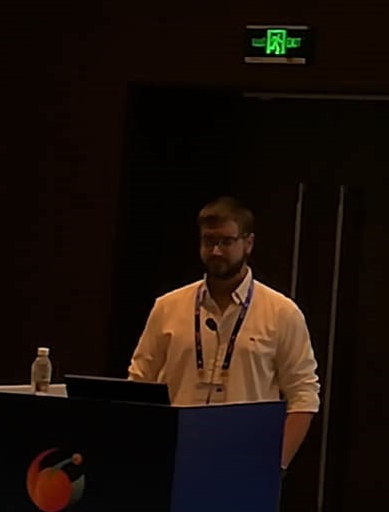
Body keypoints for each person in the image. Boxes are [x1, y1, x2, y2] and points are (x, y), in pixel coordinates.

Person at [127, 197, 321, 470]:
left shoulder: (281, 313)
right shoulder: (168, 307)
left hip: (245, 460)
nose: (216, 251)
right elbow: (138, 383)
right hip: (173, 457)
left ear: (248, 243)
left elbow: (304, 394)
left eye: (226, 242)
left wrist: (276, 465)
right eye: (209, 241)